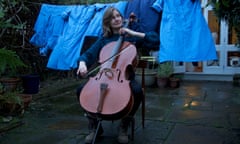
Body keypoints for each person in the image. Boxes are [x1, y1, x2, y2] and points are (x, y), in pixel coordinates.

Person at [76, 6, 159, 144]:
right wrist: (82, 64)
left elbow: (155, 41)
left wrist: (133, 33)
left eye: (118, 16)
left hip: (124, 78)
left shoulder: (131, 38)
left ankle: (124, 126)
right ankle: (95, 125)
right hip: (103, 75)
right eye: (112, 18)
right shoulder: (103, 40)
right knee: (81, 90)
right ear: (107, 22)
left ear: (122, 17)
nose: (116, 19)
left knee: (137, 91)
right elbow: (87, 55)